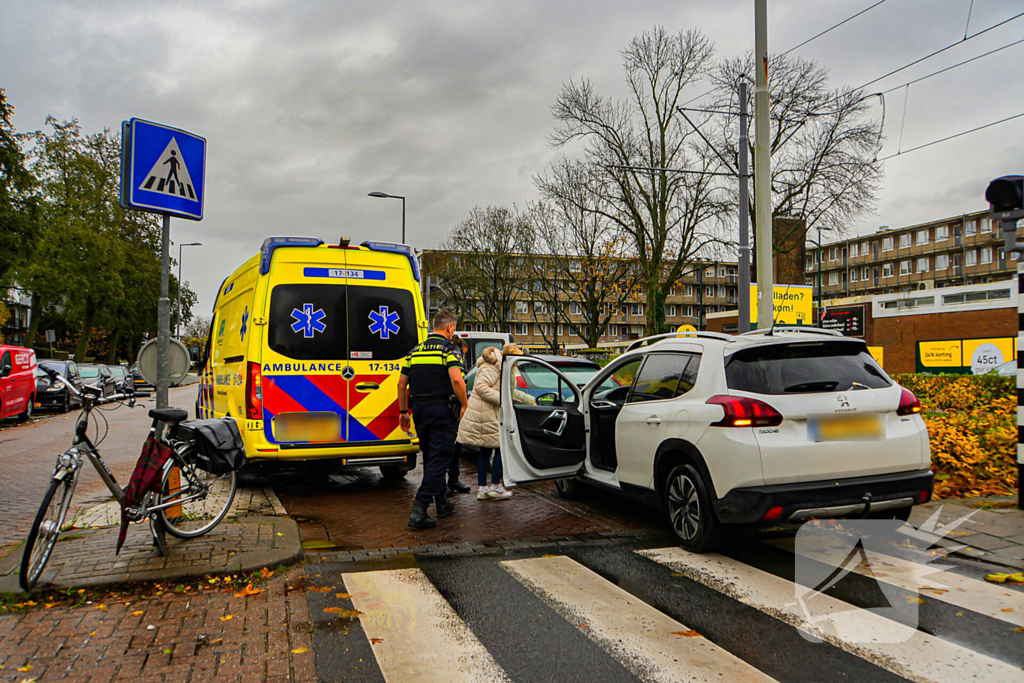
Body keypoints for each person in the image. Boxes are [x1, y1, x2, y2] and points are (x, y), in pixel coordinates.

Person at [398, 310, 468, 529]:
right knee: (441, 458)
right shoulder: (450, 349)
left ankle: (442, 503)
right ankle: (419, 509)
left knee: (430, 457)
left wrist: (403, 412)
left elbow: (401, 384)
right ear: (449, 327)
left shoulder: (415, 351)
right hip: (442, 411)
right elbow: (457, 378)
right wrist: (464, 403)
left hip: (419, 410)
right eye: (454, 328)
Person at [456, 343, 534, 500]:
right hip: (486, 414)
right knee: (499, 448)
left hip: (489, 413)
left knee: (486, 451)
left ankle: (484, 489)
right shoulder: (492, 367)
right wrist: (504, 400)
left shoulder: (502, 367)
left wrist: (529, 400)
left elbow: (509, 391)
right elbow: (481, 387)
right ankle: (495, 486)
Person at [446, 337, 472, 494]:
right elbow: (456, 382)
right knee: (448, 449)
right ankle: (445, 484)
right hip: (450, 409)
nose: (462, 358)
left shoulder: (458, 364)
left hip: (456, 410)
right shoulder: (450, 361)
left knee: (457, 448)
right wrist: (464, 403)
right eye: (462, 354)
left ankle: (454, 480)